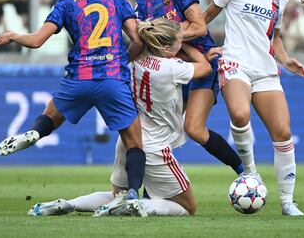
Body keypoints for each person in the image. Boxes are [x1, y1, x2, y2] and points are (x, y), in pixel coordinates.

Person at [0, 0, 147, 216]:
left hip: (79, 77)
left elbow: (37, 41)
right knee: (134, 143)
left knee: (50, 116)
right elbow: (138, 38)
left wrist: (14, 35)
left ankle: (34, 133)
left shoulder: (65, 2)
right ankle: (132, 196)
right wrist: (121, 60)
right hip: (112, 77)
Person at [27, 18, 214, 217]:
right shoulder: (172, 68)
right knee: (187, 207)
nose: (182, 42)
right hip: (155, 146)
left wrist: (175, 44)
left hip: (128, 137)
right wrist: (190, 47)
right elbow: (205, 68)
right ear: (167, 48)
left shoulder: (134, 61)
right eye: (179, 40)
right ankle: (131, 207)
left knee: (117, 194)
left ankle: (69, 204)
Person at [204, 0, 304, 216]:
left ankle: (287, 202)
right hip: (235, 61)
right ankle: (250, 173)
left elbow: (273, 38)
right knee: (239, 115)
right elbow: (203, 19)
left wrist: (286, 60)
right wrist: (202, 48)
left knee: (283, 134)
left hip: (265, 69)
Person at [130, 0, 244, 177]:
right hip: (172, 69)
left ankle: (244, 171)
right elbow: (148, 42)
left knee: (193, 128)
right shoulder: (141, 4)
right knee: (155, 130)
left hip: (202, 63)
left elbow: (200, 26)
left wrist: (163, 33)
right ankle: (150, 191)